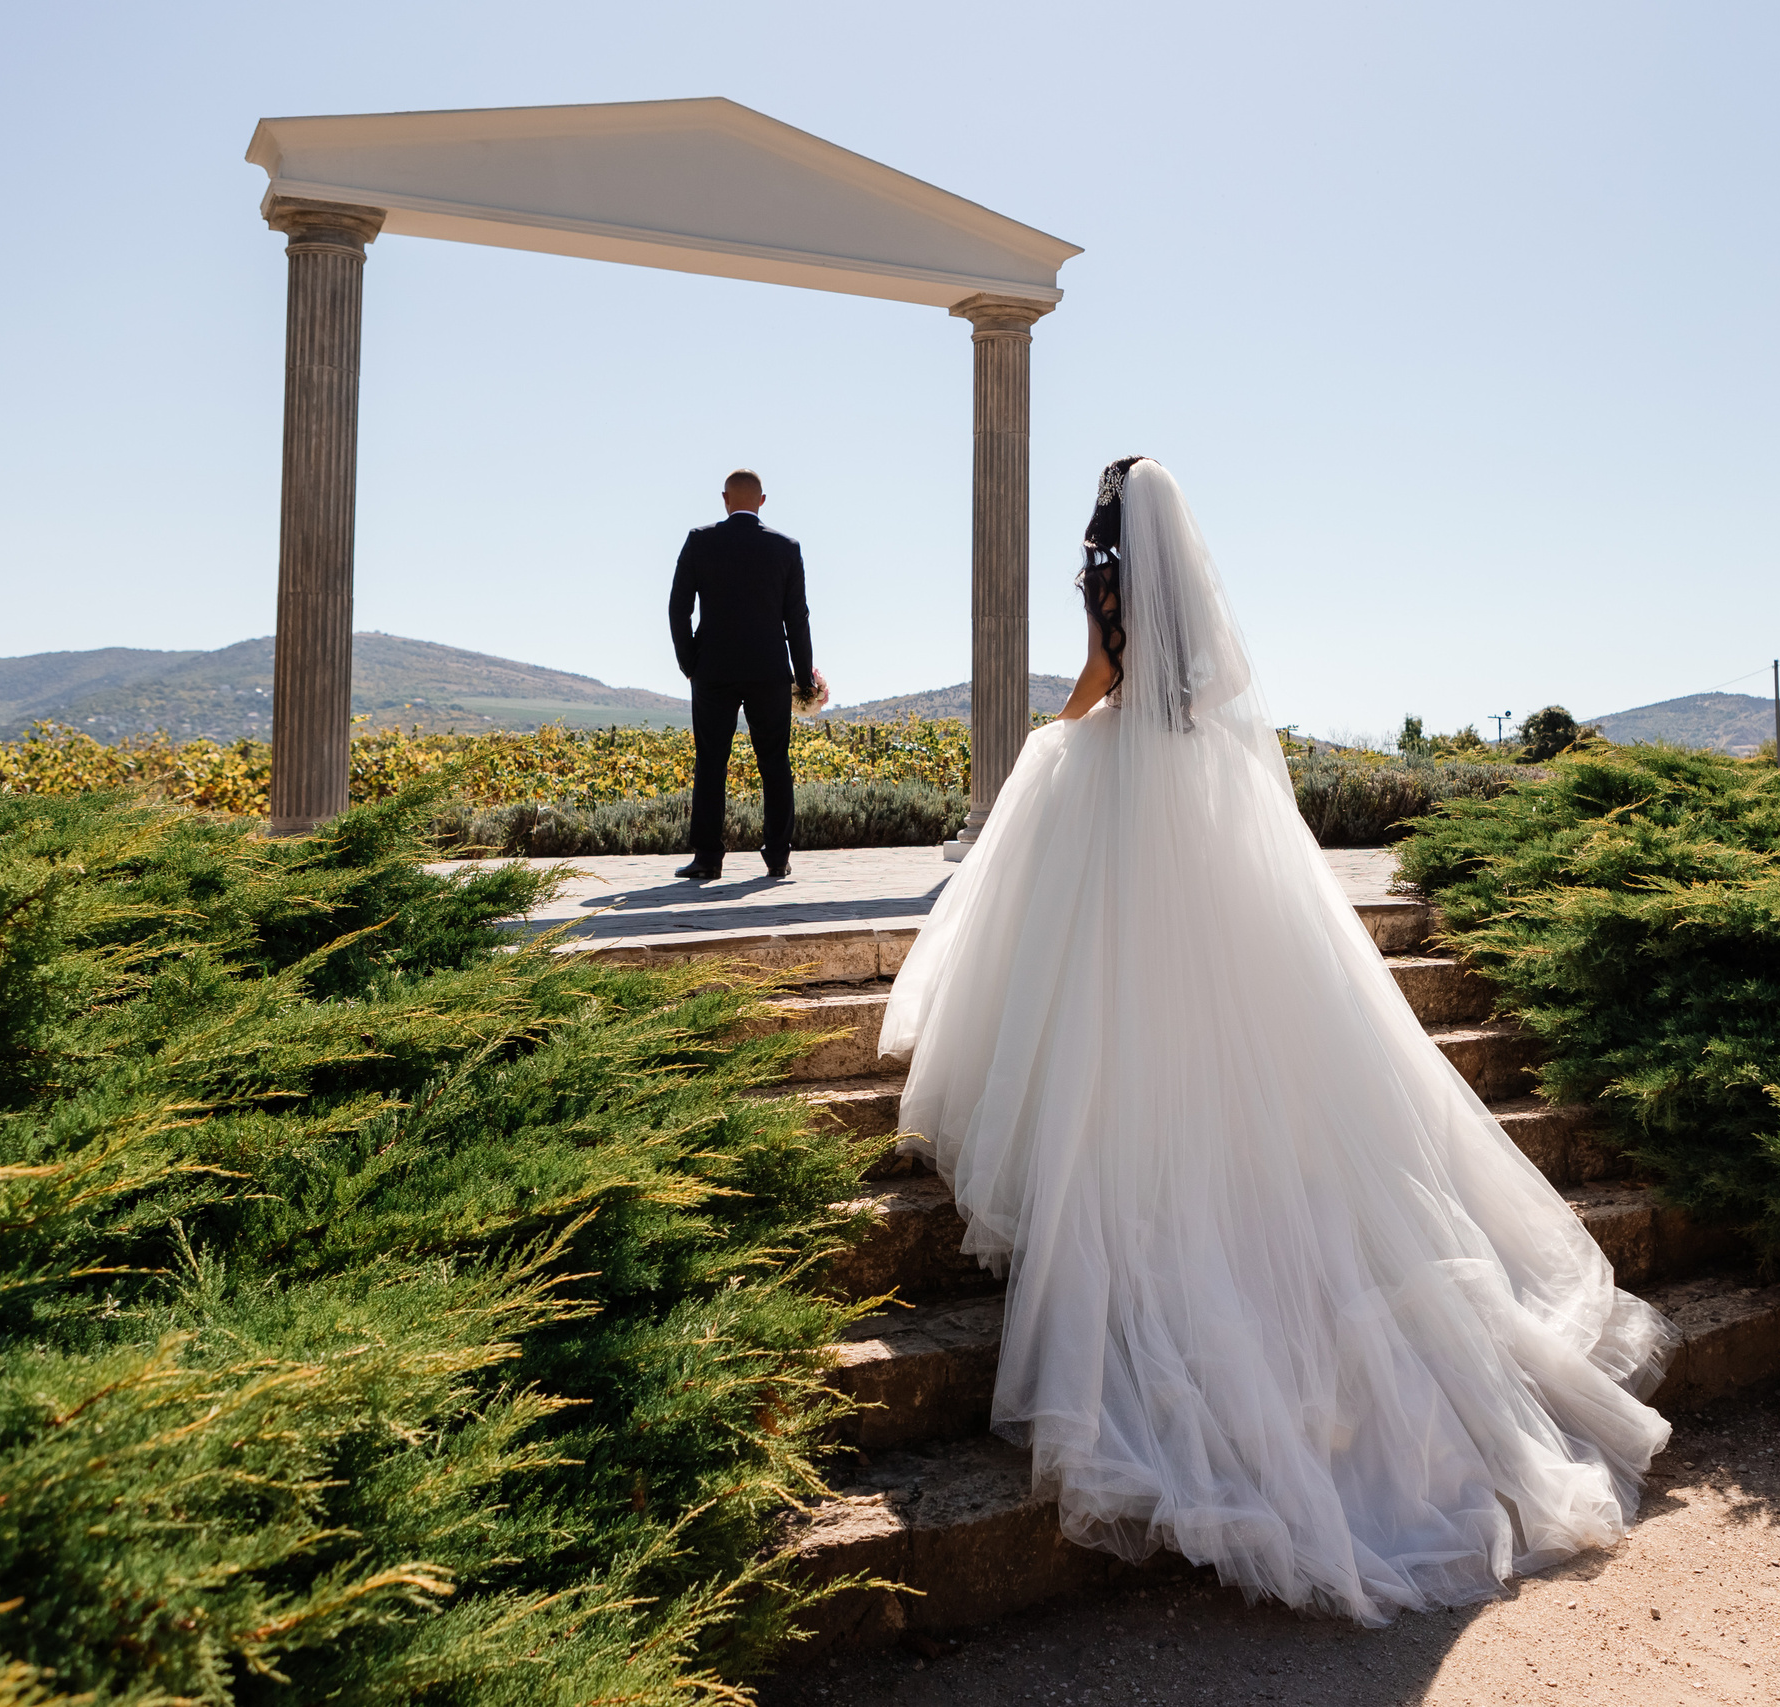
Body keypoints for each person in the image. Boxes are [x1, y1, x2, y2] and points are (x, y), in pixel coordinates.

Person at [878, 457, 1674, 1624]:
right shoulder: (1194, 598)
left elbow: (1104, 676)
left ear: (1108, 522)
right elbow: (1205, 688)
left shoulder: (1105, 576)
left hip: (1118, 785)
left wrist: (1053, 737)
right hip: (1191, 789)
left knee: (1094, 966)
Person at [667, 468, 812, 880]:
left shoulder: (700, 541)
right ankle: (778, 856)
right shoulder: (786, 548)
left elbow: (678, 608)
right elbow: (796, 618)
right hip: (769, 670)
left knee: (711, 760)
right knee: (774, 762)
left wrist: (689, 663)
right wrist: (803, 677)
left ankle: (708, 858)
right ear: (762, 501)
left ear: (725, 499)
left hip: (712, 669)